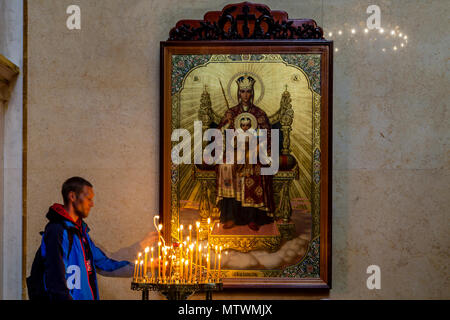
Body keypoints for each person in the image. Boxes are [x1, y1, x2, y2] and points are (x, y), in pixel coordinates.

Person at [33, 177, 131, 300]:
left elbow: (104, 264)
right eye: (88, 198)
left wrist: (144, 268)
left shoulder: (82, 234)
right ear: (72, 196)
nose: (92, 204)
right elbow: (55, 280)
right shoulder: (56, 231)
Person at [216, 75, 275, 231]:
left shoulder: (259, 114)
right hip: (234, 152)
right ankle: (231, 217)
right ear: (238, 93)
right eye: (243, 91)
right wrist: (227, 128)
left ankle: (252, 217)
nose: (245, 95)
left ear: (253, 93)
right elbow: (220, 134)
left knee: (253, 171)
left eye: (248, 91)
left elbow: (267, 136)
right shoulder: (231, 113)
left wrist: (254, 148)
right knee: (227, 168)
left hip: (254, 153)